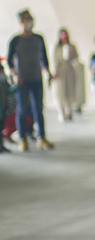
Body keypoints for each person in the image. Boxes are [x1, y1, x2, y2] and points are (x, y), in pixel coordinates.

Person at [7, 9, 55, 151]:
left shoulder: (39, 38)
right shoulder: (15, 40)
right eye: (26, 19)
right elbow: (9, 62)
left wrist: (48, 72)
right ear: (21, 21)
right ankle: (23, 139)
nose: (30, 22)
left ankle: (42, 137)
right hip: (22, 80)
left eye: (31, 18)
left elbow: (44, 58)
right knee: (22, 110)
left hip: (36, 79)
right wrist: (15, 75)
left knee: (38, 108)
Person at [51, 28, 80, 121]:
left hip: (69, 70)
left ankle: (69, 111)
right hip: (60, 71)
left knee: (70, 91)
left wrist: (72, 56)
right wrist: (54, 71)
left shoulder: (71, 46)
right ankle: (61, 112)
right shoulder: (56, 47)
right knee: (60, 92)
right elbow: (53, 59)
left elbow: (76, 57)